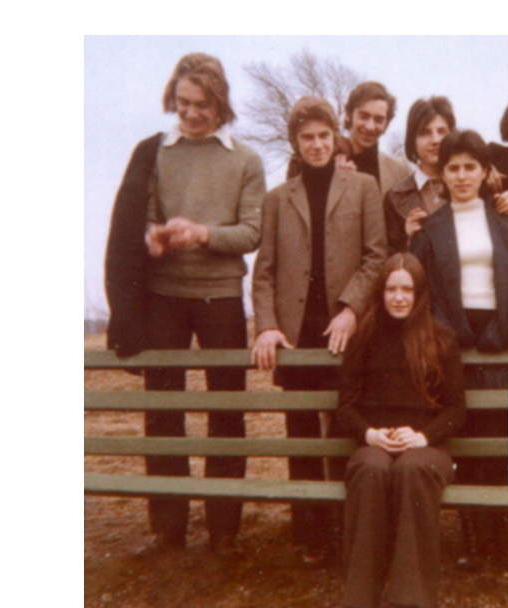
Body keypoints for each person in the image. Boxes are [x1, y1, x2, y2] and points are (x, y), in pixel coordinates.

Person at [104, 53, 266, 557]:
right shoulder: (156, 154)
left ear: (221, 104)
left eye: (201, 104)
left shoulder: (245, 159)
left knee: (226, 412)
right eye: (182, 103)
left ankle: (224, 529)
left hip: (222, 297)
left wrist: (202, 234)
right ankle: (168, 528)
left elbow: (252, 232)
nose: (191, 113)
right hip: (164, 298)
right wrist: (155, 238)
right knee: (163, 411)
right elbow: (144, 220)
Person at [251, 96, 386, 568]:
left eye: (324, 136)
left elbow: (376, 256)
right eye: (307, 137)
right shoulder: (277, 199)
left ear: (336, 138)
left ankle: (352, 530)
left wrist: (350, 309)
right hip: (296, 337)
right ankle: (310, 532)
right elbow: (264, 271)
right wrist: (267, 325)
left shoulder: (363, 187)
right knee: (302, 436)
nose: (316, 144)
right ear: (295, 142)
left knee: (347, 431)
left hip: (345, 333)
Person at [410, 129, 508, 571]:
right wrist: (446, 335)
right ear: (442, 174)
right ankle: (472, 537)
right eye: (453, 168)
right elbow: (420, 292)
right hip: (453, 341)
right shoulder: (430, 228)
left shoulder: (507, 219)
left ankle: (504, 536)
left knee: (504, 438)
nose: (462, 175)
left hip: (500, 339)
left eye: (471, 167)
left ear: (485, 171)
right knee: (466, 437)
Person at [336, 252, 465, 608]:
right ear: (381, 292)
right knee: (370, 469)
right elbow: (344, 408)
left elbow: (456, 410)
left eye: (407, 289)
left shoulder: (440, 339)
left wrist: (422, 437)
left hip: (425, 448)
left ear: (419, 293)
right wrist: (370, 434)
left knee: (414, 470)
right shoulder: (364, 338)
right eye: (391, 288)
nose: (398, 297)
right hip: (375, 444)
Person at [384, 96, 508, 252]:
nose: (435, 140)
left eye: (442, 131)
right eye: (425, 133)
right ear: (412, 140)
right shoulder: (396, 199)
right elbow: (391, 258)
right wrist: (409, 242)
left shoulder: (483, 183)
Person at [342, 81, 412, 196]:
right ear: (348, 115)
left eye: (378, 120)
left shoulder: (401, 171)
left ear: (386, 124)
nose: (370, 127)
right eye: (364, 116)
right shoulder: (330, 162)